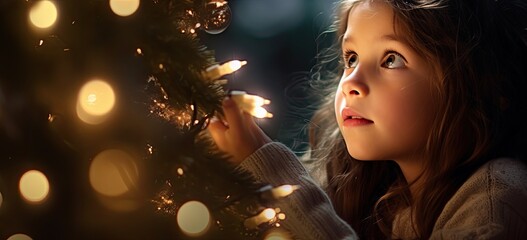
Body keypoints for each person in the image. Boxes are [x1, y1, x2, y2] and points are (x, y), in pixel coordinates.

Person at [208, 0, 527, 239]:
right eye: (351, 58)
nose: (350, 83)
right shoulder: (371, 187)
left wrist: (273, 173)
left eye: (391, 59)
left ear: (475, 86)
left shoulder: (497, 194)